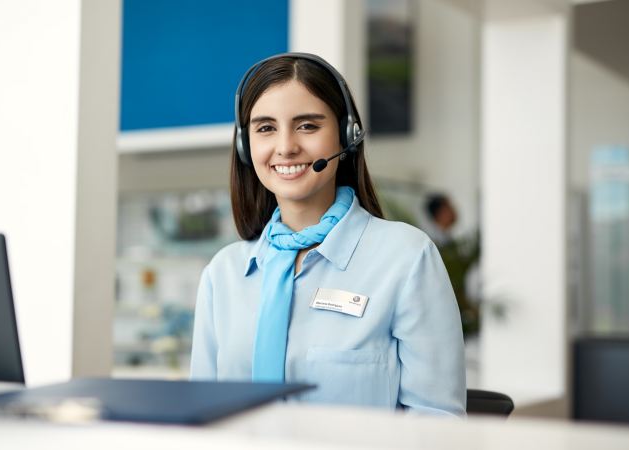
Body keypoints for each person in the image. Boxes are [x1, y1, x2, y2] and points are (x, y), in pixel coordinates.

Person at [190, 53, 465, 416]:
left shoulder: (406, 258)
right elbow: (200, 417)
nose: (286, 146)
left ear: (347, 135)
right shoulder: (223, 273)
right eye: (265, 128)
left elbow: (437, 425)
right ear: (245, 145)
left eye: (307, 125)